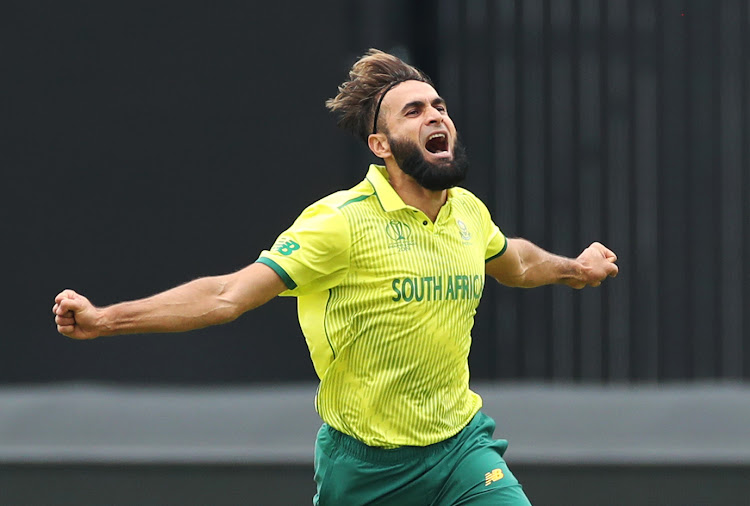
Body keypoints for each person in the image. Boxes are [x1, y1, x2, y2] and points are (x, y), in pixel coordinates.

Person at [53, 49, 618, 505]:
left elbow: (513, 261)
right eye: (414, 112)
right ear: (381, 146)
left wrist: (574, 270)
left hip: (460, 450)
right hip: (365, 469)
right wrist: (105, 320)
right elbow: (227, 295)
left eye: (439, 106)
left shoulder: (465, 211)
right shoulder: (339, 223)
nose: (436, 116)